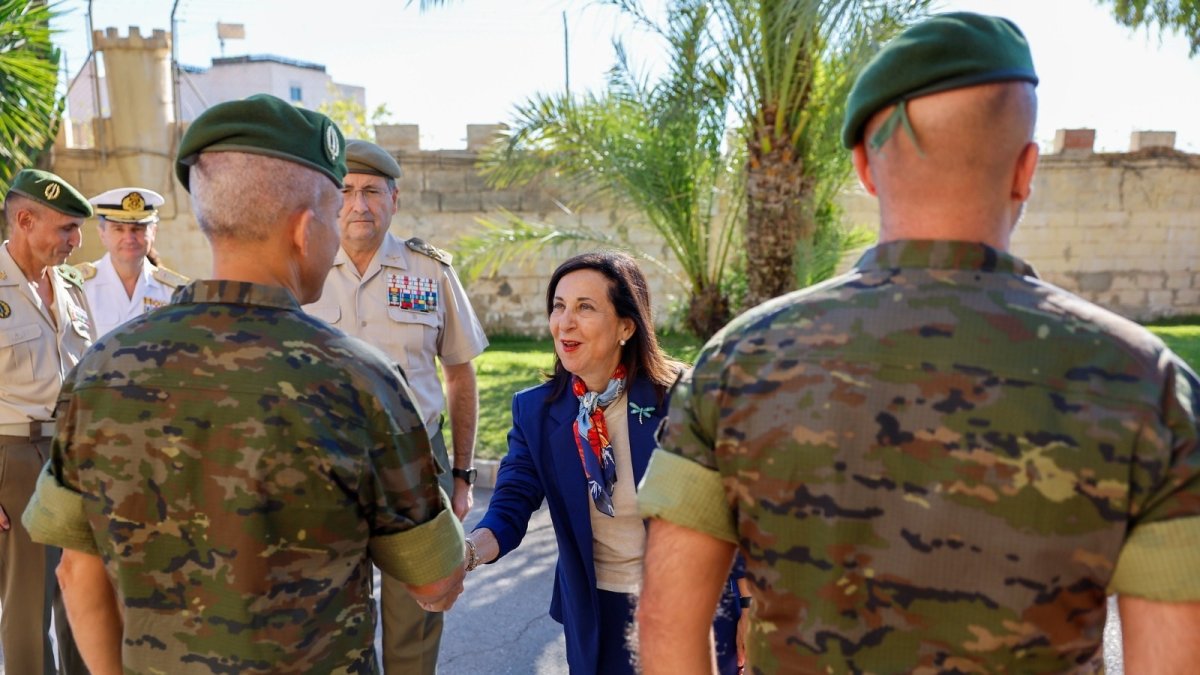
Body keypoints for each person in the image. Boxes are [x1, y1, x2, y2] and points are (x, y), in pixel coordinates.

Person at [636, 12, 1200, 674]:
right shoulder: (1145, 385)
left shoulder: (734, 363)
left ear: (864, 168)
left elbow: (666, 620)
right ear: (1026, 169)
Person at [21, 93, 466, 674]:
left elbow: (76, 570)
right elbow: (436, 582)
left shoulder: (101, 370)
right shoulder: (362, 381)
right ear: (305, 229)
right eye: (334, 213)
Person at [466, 251, 744, 674]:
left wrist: (751, 603)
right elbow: (511, 503)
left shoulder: (683, 397)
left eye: (585, 307)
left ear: (626, 327)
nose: (565, 322)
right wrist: (467, 553)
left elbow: (733, 506)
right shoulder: (536, 411)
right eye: (558, 306)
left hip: (692, 608)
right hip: (598, 615)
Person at [302, 138, 488, 674]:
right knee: (335, 613)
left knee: (419, 609)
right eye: (346, 191)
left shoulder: (429, 271)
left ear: (395, 200)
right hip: (328, 464)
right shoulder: (303, 269)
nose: (359, 205)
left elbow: (459, 374)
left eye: (372, 192)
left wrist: (462, 474)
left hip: (416, 459)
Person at [0, 168, 91, 674]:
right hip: (16, 457)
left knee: (84, 593)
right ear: (25, 220)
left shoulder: (71, 285)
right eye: (67, 228)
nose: (77, 241)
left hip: (75, 454)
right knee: (28, 604)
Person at [77, 187, 188, 337]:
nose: (129, 238)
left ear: (153, 232)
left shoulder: (174, 291)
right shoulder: (79, 288)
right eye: (118, 229)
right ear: (102, 234)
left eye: (137, 228)